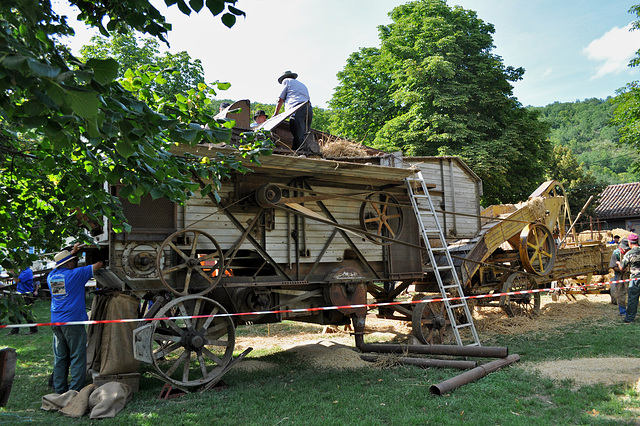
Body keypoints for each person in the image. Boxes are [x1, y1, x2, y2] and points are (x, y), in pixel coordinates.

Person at [47, 243, 104, 393]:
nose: (75, 263)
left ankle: (59, 389)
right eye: (73, 261)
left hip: (56, 321)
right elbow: (99, 265)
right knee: (78, 356)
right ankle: (75, 390)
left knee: (60, 357)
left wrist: (71, 253)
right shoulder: (76, 274)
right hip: (73, 321)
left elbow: (60, 266)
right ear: (68, 263)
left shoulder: (51, 276)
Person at [274, 70, 313, 153]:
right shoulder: (302, 84)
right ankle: (297, 151)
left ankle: (302, 152)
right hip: (308, 108)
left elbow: (280, 99)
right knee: (304, 132)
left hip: (297, 108)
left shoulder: (286, 81)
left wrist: (276, 114)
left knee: (296, 129)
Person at [8, 267, 39, 335]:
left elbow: (17, 280)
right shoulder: (22, 271)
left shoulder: (27, 272)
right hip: (20, 294)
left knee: (26, 313)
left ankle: (34, 329)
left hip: (26, 295)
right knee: (16, 312)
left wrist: (11, 271)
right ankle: (15, 330)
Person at [617, 233, 640, 323]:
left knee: (633, 299)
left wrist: (618, 263)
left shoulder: (629, 254)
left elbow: (622, 268)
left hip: (635, 279)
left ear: (630, 243)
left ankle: (629, 318)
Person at [609, 238, 630, 315]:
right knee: (620, 293)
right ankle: (623, 311)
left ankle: (631, 310)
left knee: (631, 292)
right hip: (619, 276)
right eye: (624, 249)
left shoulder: (631, 253)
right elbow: (613, 266)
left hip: (630, 275)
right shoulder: (616, 253)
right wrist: (621, 269)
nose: (625, 250)